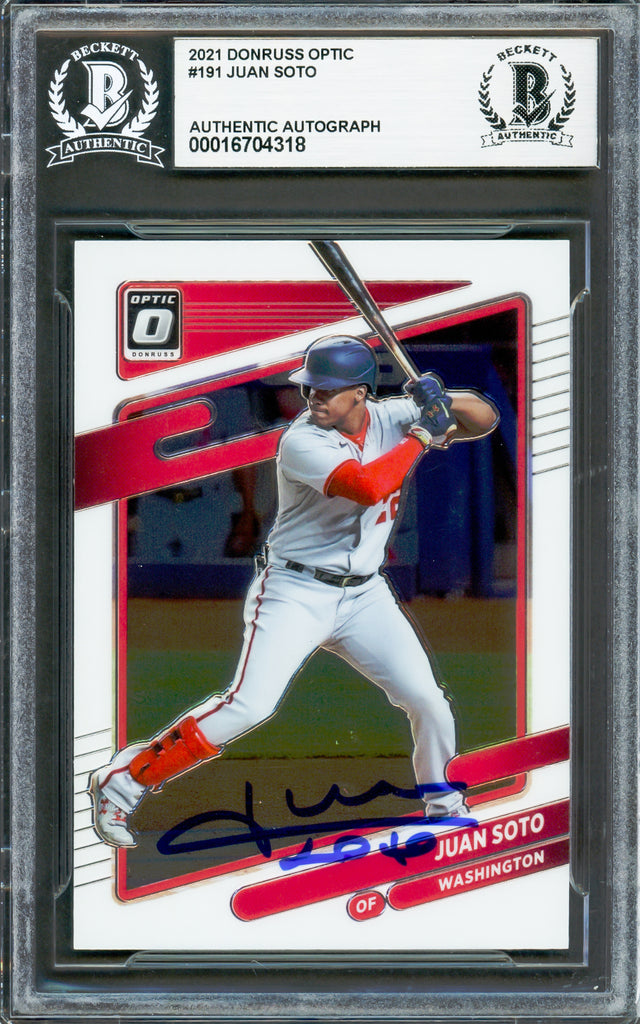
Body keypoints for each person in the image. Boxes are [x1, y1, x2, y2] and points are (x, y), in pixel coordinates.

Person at [89, 335, 499, 847]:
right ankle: (124, 780)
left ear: (360, 393)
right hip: (294, 591)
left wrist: (443, 398)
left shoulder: (393, 415)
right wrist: (421, 434)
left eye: (326, 390)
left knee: (429, 701)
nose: (313, 397)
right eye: (310, 388)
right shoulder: (303, 440)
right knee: (249, 706)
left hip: (365, 596)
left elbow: (484, 418)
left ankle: (445, 808)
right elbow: (368, 486)